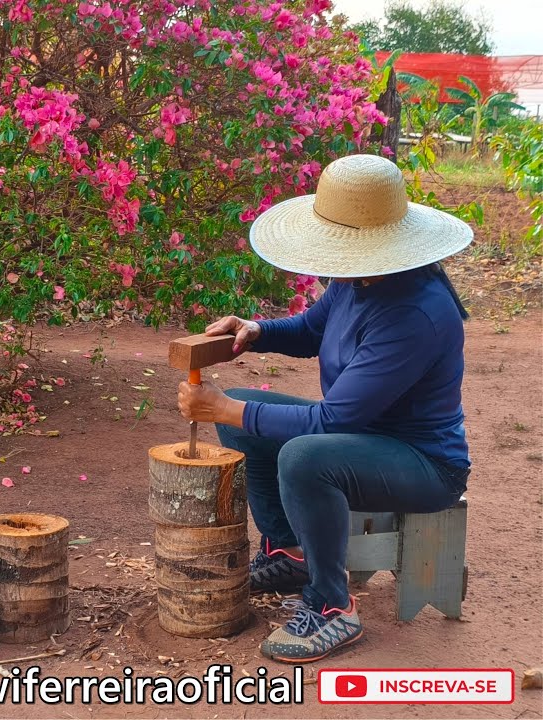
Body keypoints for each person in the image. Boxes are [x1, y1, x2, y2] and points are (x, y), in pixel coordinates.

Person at [176, 154, 472, 664]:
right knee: (250, 413)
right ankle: (290, 552)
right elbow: (314, 328)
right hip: (363, 438)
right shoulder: (360, 280)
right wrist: (258, 331)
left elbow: (332, 422)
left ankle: (332, 606)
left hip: (424, 463)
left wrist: (223, 410)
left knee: (303, 456)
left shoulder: (415, 312)